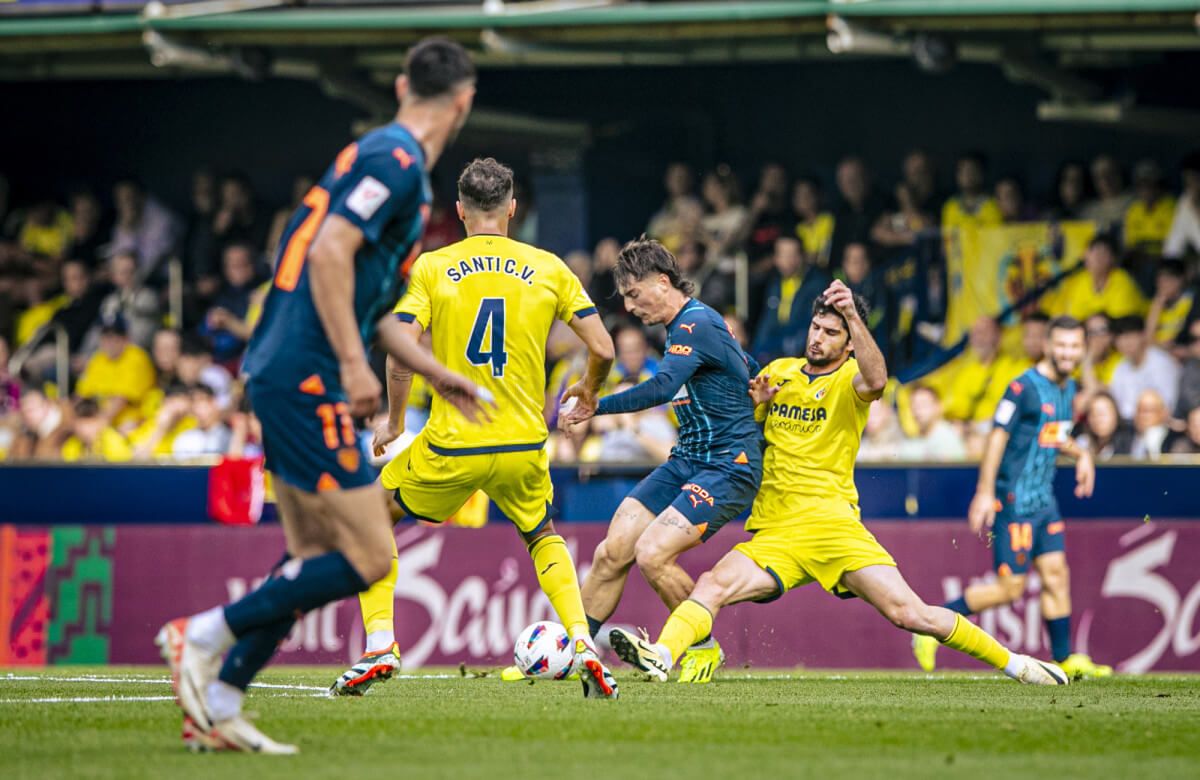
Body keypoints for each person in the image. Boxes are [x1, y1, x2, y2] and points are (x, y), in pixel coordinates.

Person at [156, 38, 488, 754]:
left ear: (403, 84)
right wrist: (352, 365)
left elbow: (370, 304)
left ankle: (215, 704)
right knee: (369, 556)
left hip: (283, 365)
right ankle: (204, 635)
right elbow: (332, 253)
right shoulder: (396, 163)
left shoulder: (375, 156)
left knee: (309, 551)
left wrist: (439, 374)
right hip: (309, 373)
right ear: (462, 104)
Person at [610, 282, 1068, 687]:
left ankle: (1017, 665)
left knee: (911, 614)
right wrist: (756, 404)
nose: (818, 337)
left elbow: (878, 379)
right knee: (711, 585)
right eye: (816, 328)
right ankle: (664, 656)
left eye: (831, 333)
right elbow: (746, 436)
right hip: (777, 533)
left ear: (849, 344)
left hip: (834, 528)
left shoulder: (853, 378)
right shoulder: (781, 373)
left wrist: (852, 313)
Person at [330, 157, 620, 700]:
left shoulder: (433, 267)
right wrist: (589, 387)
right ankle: (582, 641)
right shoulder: (550, 267)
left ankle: (380, 645)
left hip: (454, 440)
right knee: (542, 534)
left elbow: (399, 354)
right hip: (523, 441)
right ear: (513, 208)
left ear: (459, 210)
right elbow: (602, 347)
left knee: (372, 518)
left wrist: (395, 423)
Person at [560, 237, 762, 684]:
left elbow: (662, 387)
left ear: (663, 281)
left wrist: (597, 403)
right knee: (612, 552)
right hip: (686, 459)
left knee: (652, 553)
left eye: (634, 294)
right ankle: (572, 652)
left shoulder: (695, 324)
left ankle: (703, 648)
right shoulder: (688, 328)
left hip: (728, 465)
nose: (630, 307)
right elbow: (746, 366)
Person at [913, 317, 1111, 680]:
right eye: (1061, 346)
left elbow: (1052, 435)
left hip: (1044, 500)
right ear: (1048, 346)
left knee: (1056, 575)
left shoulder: (1068, 388)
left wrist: (1081, 454)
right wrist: (985, 492)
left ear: (1082, 350)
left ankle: (1065, 659)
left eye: (1074, 347)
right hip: (1015, 501)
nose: (1067, 353)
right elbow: (997, 437)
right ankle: (931, 625)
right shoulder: (1023, 387)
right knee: (1010, 588)